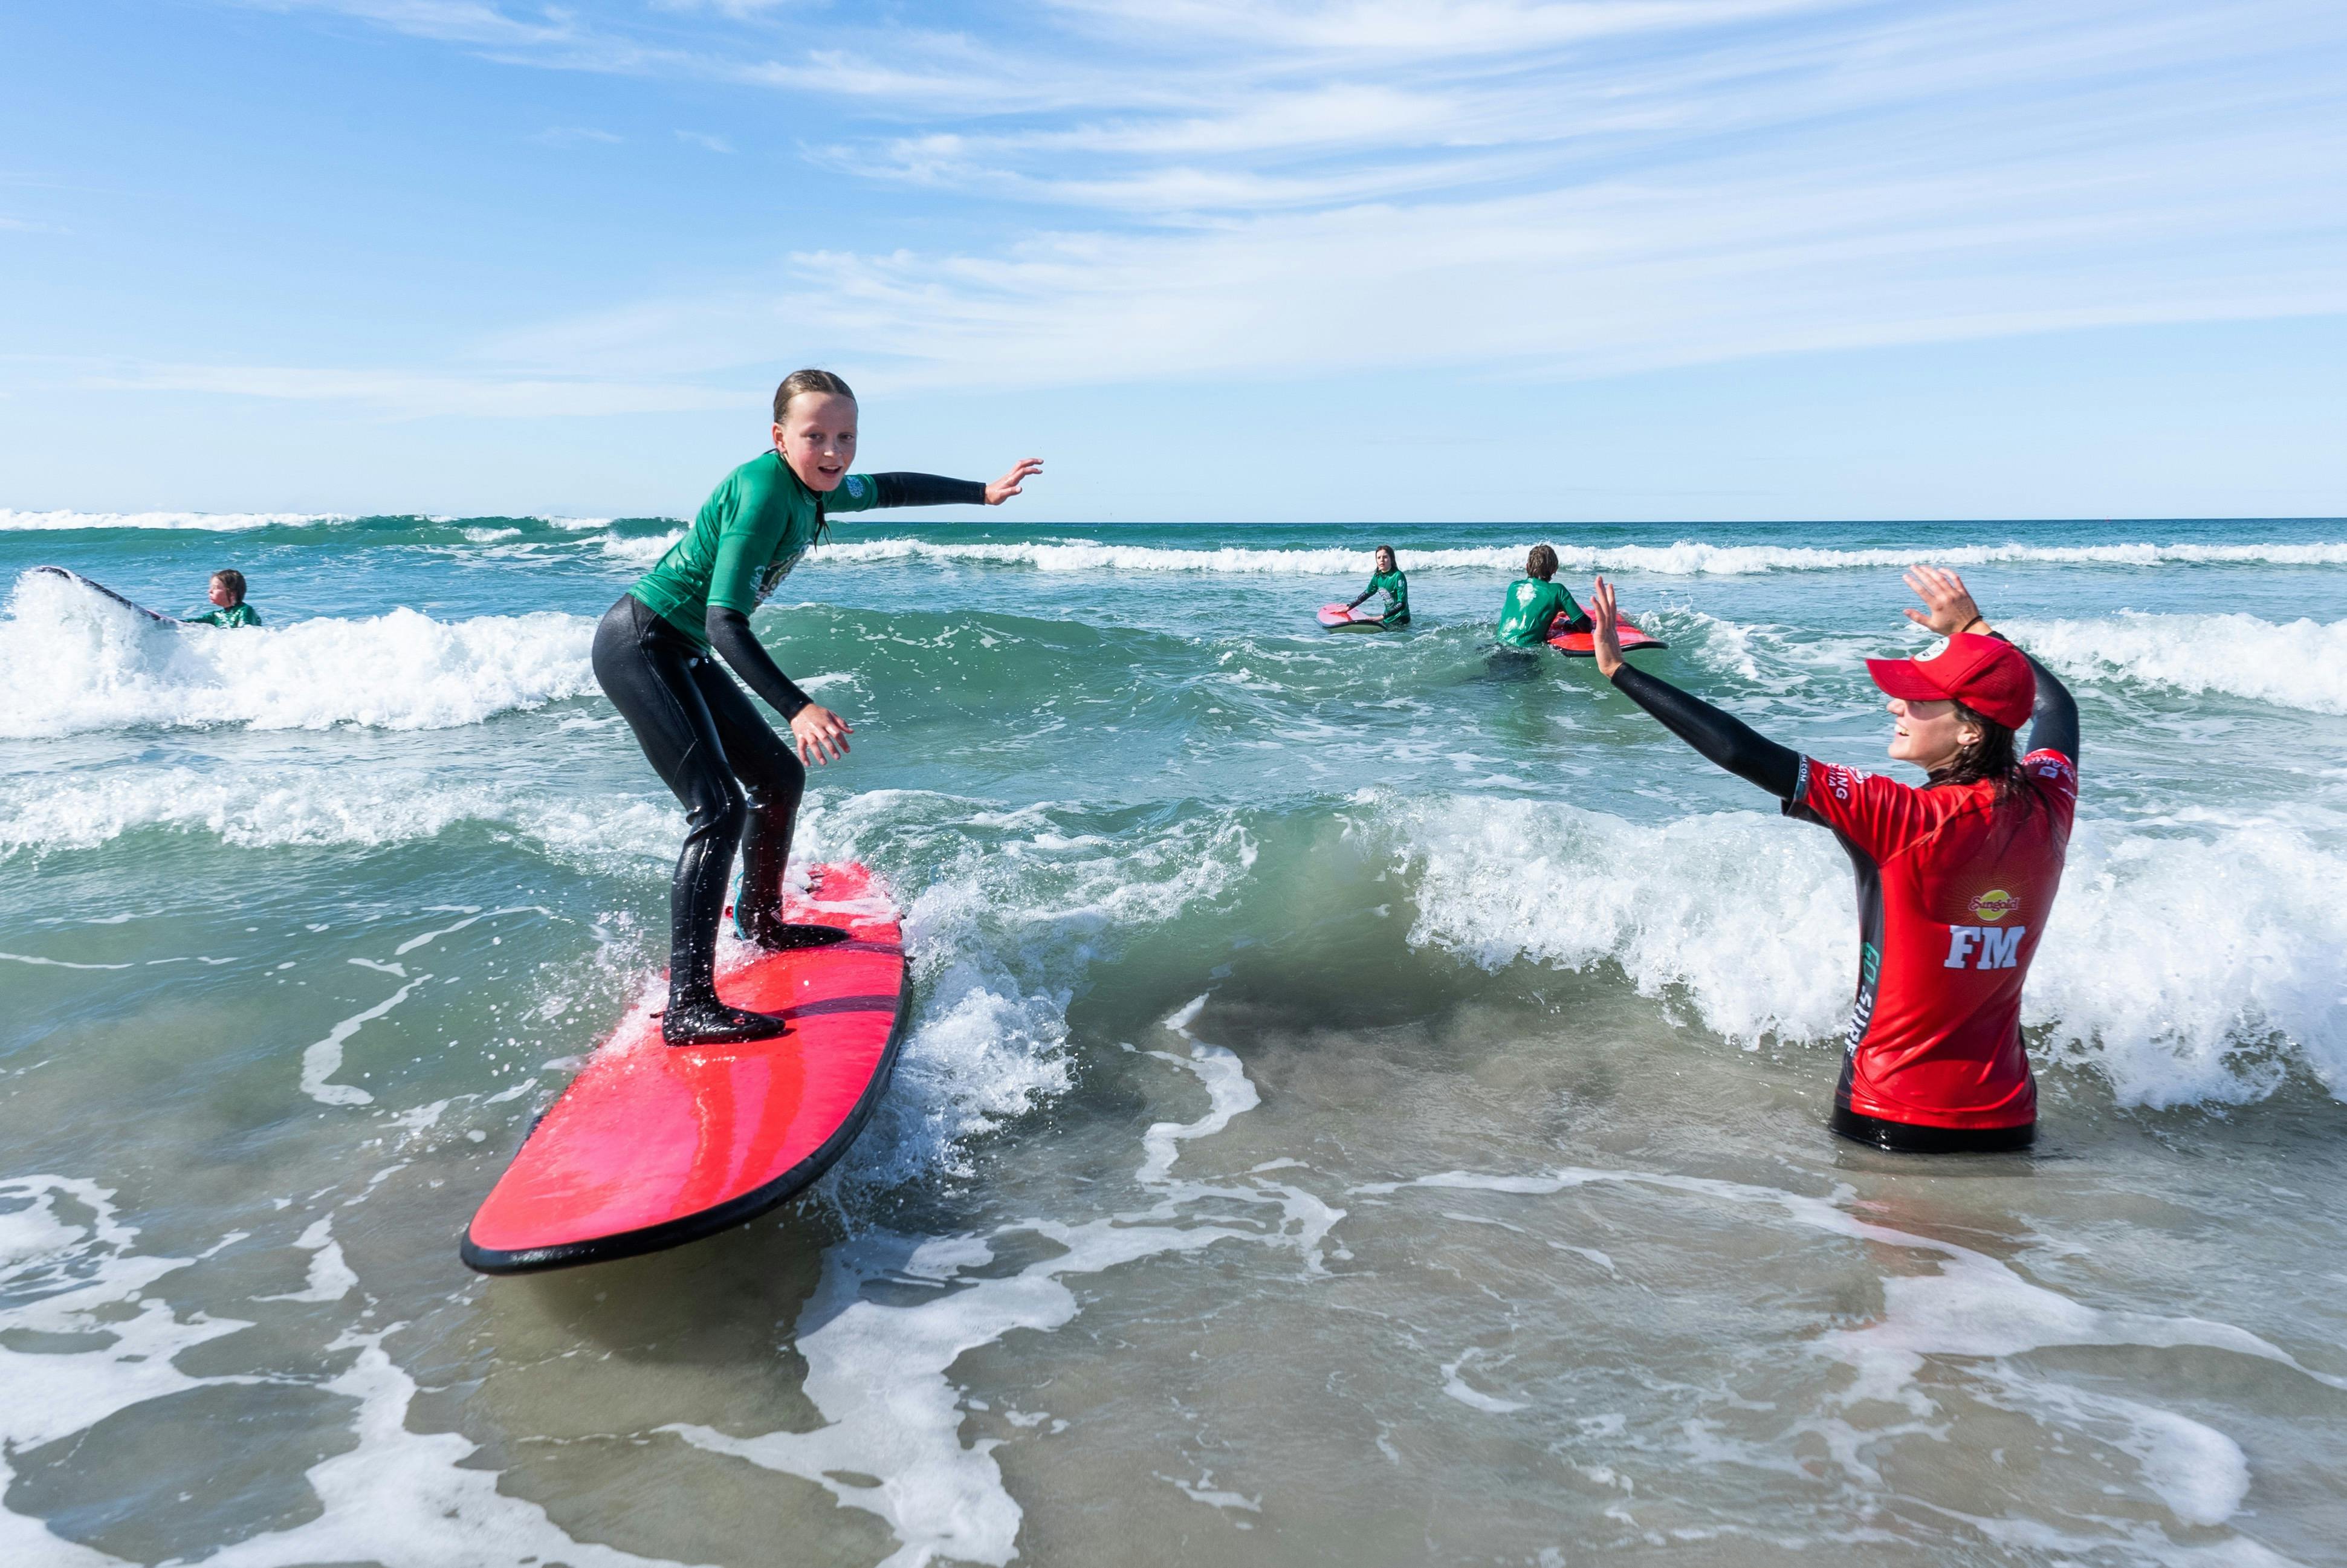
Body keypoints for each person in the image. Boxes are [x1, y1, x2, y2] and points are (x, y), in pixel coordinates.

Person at [594, 368, 1043, 1046]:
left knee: (778, 777)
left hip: (677, 647)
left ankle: (762, 921)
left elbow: (891, 487)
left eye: (845, 437)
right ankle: (689, 1007)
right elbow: (723, 622)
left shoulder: (815, 484)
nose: (833, 452)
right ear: (779, 437)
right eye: (815, 437)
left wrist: (981, 492)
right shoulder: (763, 495)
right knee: (717, 808)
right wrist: (796, 706)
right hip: (643, 644)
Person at [1586, 565, 2080, 1152]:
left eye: (1920, 699)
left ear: (1970, 730)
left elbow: (1741, 751)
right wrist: (1975, 630)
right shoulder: (2051, 799)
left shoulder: (1902, 817)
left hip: (1892, 1115)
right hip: (2007, 1119)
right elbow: (2057, 709)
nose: (1896, 705)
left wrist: (1621, 672)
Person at [1494, 545, 1586, 647]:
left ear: (1527, 566)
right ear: (1555, 569)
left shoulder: (1513, 587)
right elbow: (1585, 626)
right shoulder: (1558, 591)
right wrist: (1566, 624)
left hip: (1498, 645)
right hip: (1524, 652)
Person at [1343, 545, 1410, 626]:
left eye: (1385, 557)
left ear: (1392, 559)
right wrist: (1349, 607)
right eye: (1379, 558)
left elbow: (1402, 604)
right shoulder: (1377, 576)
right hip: (1387, 619)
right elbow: (1367, 593)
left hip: (1401, 620)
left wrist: (1381, 617)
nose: (1382, 560)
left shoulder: (1398, 576)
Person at [187, 569, 261, 627]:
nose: (210, 591)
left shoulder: (245, 611)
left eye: (215, 588)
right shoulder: (216, 615)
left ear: (232, 593)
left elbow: (246, 633)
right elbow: (189, 623)